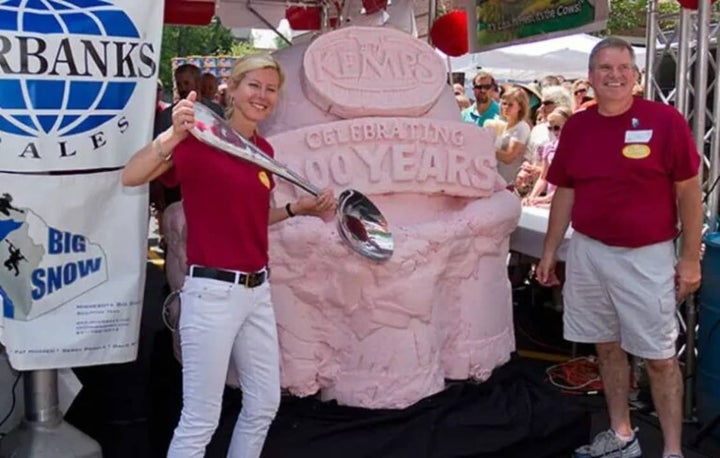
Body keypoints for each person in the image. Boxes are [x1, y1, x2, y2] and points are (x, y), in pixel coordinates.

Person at [122, 53, 335, 458]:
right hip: (212, 294)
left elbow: (251, 217)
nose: (263, 95)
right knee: (200, 418)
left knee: (264, 404)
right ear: (232, 90)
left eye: (271, 89)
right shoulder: (201, 140)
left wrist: (297, 209)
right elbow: (131, 175)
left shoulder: (264, 150)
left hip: (257, 290)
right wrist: (171, 137)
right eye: (253, 85)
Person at [536, 37, 702, 458]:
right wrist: (551, 250)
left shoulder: (665, 120)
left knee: (661, 357)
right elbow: (565, 192)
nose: (615, 75)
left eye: (623, 68)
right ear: (590, 78)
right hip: (589, 251)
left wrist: (688, 258)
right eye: (605, 68)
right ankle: (622, 434)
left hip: (647, 255)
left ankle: (671, 451)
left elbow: (689, 193)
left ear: (635, 75)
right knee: (606, 347)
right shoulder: (577, 125)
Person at [522, 106, 570, 206]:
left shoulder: (577, 150)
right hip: (550, 202)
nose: (553, 131)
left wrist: (546, 199)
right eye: (550, 128)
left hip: (569, 202)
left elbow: (570, 183)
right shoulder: (549, 148)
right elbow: (543, 178)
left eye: (557, 127)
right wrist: (532, 197)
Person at [489, 86, 531, 185]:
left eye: (510, 105)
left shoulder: (521, 127)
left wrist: (487, 148)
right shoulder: (502, 125)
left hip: (511, 182)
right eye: (504, 103)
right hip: (497, 179)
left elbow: (509, 157)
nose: (506, 107)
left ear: (520, 107)